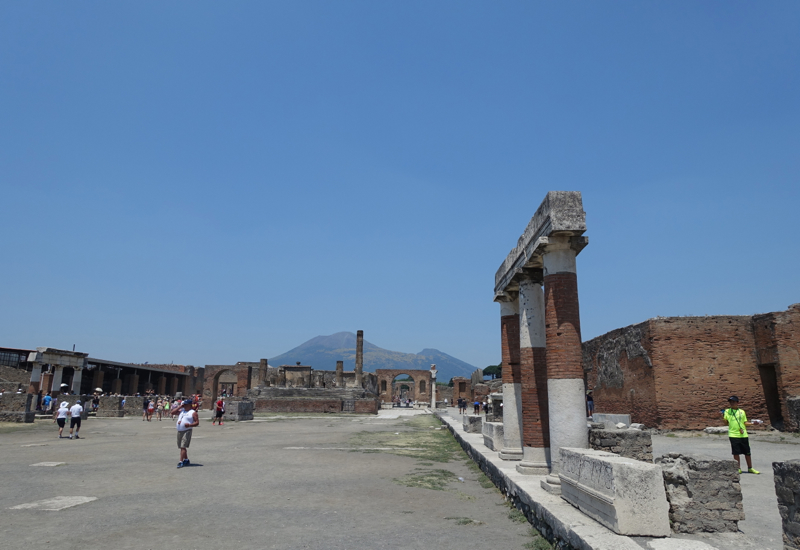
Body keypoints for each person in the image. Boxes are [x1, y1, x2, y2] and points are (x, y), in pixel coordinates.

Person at [722, 396, 762, 474]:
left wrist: (753, 423)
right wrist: (722, 417)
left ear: (738, 403)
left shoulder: (742, 412)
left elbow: (745, 422)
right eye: (730, 402)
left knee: (747, 452)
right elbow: (726, 423)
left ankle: (750, 468)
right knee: (736, 452)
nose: (732, 403)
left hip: (743, 434)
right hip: (733, 434)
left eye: (733, 402)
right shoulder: (727, 411)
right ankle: (738, 468)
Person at [172, 399, 199, 468]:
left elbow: (197, 422)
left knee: (183, 446)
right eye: (184, 404)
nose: (184, 406)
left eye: (186, 405)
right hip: (180, 431)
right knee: (181, 447)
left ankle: (181, 461)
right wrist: (180, 407)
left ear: (190, 405)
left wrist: (189, 425)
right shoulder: (182, 411)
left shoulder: (193, 412)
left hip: (187, 431)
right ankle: (186, 459)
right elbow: (172, 412)